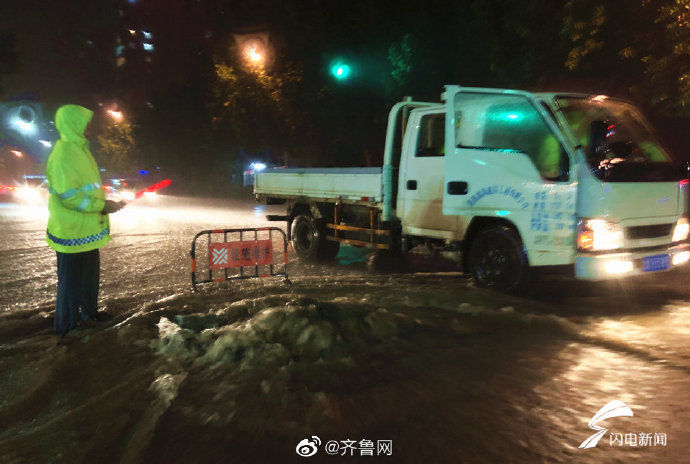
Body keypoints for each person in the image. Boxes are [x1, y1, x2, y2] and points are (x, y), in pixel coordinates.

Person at [45, 104, 125, 336]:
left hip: (86, 230)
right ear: (74, 124)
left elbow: (87, 189)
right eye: (85, 123)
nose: (89, 128)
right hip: (71, 231)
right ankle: (66, 327)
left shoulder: (80, 149)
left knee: (89, 279)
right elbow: (70, 197)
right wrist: (102, 206)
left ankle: (89, 313)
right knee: (70, 285)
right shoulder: (64, 154)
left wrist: (106, 204)